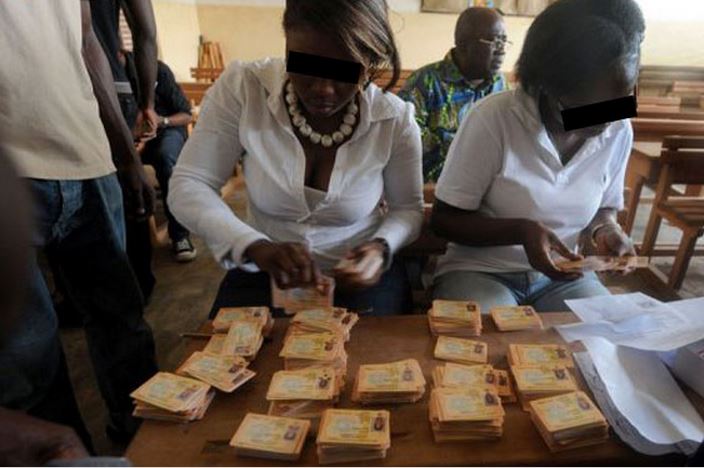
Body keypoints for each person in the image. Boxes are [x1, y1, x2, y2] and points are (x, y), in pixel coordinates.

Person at [169, 0, 424, 316]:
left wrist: (381, 248)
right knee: (237, 344)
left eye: (344, 72)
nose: (323, 89)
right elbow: (189, 184)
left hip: (360, 278)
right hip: (263, 267)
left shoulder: (394, 119)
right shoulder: (244, 89)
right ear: (286, 41)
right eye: (305, 65)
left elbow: (407, 209)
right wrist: (252, 245)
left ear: (370, 63)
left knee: (371, 345)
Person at [0, 0, 158, 445]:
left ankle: (145, 443)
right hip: (12, 168)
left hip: (88, 156)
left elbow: (87, 40)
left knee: (123, 321)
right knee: (28, 352)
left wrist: (125, 153)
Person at [431, 0, 644, 312]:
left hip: (565, 274)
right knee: (496, 336)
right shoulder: (493, 119)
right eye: (587, 108)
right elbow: (443, 220)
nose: (606, 121)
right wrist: (520, 231)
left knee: (606, 333)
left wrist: (606, 229)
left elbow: (603, 208)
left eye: (621, 100)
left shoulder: (618, 129)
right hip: (482, 270)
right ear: (546, 86)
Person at [91, 0, 160, 299]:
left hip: (55, 93)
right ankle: (138, 286)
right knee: (130, 192)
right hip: (112, 90)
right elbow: (145, 32)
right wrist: (147, 103)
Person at [398, 7, 508, 183]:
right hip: (434, 188)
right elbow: (403, 137)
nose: (502, 50)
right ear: (463, 44)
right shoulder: (425, 82)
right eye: (494, 41)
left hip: (491, 188)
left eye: (504, 41)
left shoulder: (501, 86)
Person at [122, 51, 196, 262]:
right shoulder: (106, 73)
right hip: (130, 134)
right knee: (113, 166)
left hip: (166, 129)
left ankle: (179, 235)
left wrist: (160, 121)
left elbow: (186, 114)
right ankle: (128, 243)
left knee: (166, 159)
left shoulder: (158, 70)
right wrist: (132, 139)